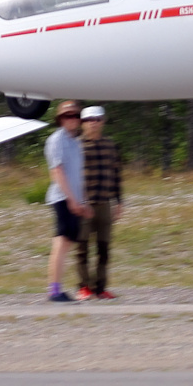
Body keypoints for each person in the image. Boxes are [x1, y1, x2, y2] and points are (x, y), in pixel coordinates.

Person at [77, 105, 124, 301]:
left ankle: (101, 287)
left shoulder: (110, 146)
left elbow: (116, 174)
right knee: (82, 248)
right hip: (83, 204)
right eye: (89, 119)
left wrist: (119, 201)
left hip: (104, 203)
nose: (94, 123)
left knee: (104, 248)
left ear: (103, 122)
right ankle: (84, 287)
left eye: (97, 119)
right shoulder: (76, 145)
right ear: (83, 123)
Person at [44, 99, 88, 303]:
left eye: (75, 115)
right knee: (61, 244)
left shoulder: (75, 142)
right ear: (60, 119)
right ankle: (54, 290)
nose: (71, 119)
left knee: (65, 243)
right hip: (63, 198)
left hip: (73, 198)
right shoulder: (57, 140)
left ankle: (56, 287)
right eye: (66, 116)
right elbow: (58, 171)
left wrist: (82, 201)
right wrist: (71, 200)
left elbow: (78, 174)